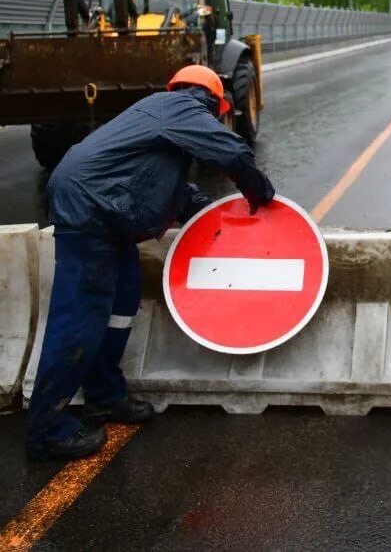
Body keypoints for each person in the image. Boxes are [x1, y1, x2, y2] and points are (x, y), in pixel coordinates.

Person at [26, 64, 275, 460]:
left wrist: (215, 217)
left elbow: (162, 186)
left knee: (121, 304)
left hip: (108, 214)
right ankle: (46, 429)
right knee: (79, 320)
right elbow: (231, 152)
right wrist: (261, 195)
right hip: (89, 211)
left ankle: (105, 396)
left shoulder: (160, 119)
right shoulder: (182, 107)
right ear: (212, 101)